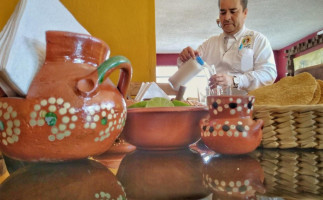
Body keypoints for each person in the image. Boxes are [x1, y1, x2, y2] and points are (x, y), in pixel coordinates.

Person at [178, 0, 277, 95]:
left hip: (247, 108)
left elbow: (268, 74)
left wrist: (235, 80)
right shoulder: (210, 43)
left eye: (233, 11)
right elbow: (186, 68)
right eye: (223, 12)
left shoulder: (258, 40)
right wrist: (185, 57)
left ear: (245, 13)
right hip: (214, 107)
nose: (227, 17)